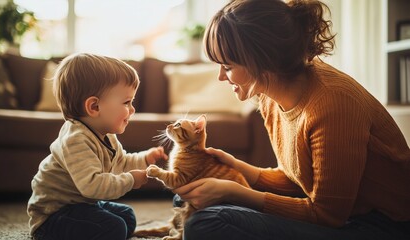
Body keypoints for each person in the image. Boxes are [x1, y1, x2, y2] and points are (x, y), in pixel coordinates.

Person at [173, 0, 410, 239]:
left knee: (206, 223)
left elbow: (328, 215)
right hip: (344, 215)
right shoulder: (269, 93)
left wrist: (236, 193)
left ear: (261, 60)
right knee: (192, 192)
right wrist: (237, 167)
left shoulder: (333, 103)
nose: (220, 77)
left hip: (382, 225)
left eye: (227, 66)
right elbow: (301, 181)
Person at [27, 53, 168, 240]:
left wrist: (144, 159)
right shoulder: (75, 140)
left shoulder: (105, 134)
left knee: (127, 217)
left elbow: (120, 162)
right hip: (54, 215)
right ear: (94, 107)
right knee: (114, 227)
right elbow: (92, 187)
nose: (132, 109)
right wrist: (131, 180)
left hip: (82, 204)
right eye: (127, 102)